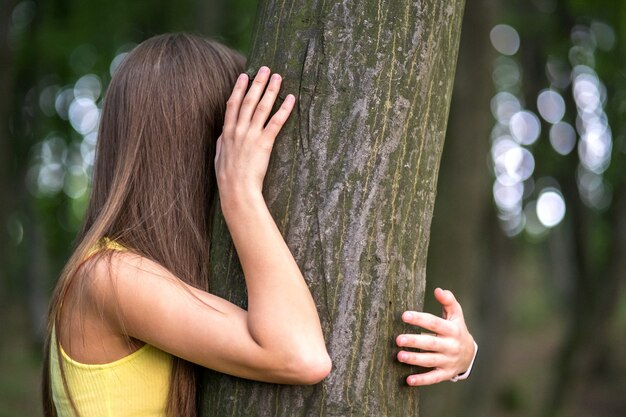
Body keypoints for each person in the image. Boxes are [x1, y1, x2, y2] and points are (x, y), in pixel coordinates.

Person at [42, 33, 476, 417]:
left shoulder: (171, 275)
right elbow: (302, 355)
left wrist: (459, 356)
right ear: (206, 149)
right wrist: (240, 192)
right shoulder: (107, 277)